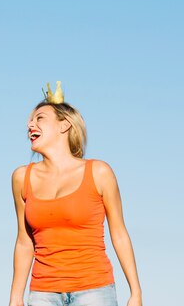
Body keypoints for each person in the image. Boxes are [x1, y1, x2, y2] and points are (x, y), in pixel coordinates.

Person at [9, 82, 142, 306]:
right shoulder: (22, 178)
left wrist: (135, 292)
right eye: (30, 121)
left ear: (64, 125)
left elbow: (119, 233)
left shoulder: (99, 172)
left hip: (94, 290)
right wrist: (15, 297)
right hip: (43, 293)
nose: (30, 125)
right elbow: (24, 241)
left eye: (39, 118)